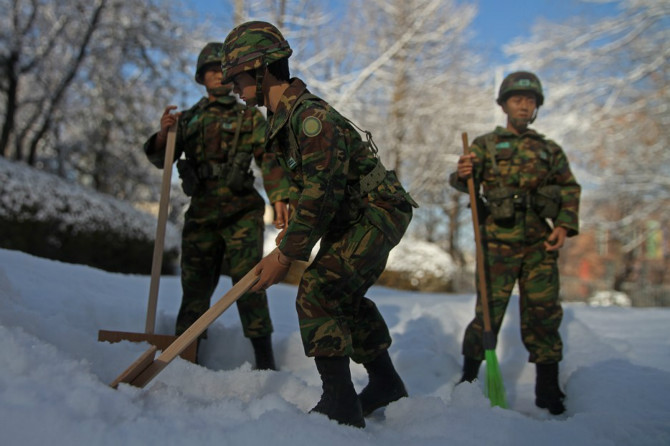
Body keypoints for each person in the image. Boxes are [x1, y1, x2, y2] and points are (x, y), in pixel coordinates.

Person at [220, 21, 418, 428]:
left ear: (262, 68)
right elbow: (315, 184)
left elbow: (323, 193)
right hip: (357, 213)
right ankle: (385, 383)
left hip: (377, 210)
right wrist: (292, 214)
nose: (234, 86)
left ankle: (340, 403)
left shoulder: (310, 117)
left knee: (318, 288)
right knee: (341, 294)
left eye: (238, 75)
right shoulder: (285, 118)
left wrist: (288, 253)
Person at [143, 42, 289, 370]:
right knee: (194, 286)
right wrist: (164, 137)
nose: (219, 78)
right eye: (211, 72)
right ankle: (184, 360)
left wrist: (279, 195)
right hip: (202, 215)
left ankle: (266, 362)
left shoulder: (250, 118)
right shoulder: (189, 120)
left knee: (250, 284)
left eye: (224, 72)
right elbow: (160, 159)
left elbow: (269, 156)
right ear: (201, 77)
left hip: (241, 214)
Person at [449, 71, 581, 415]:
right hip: (496, 242)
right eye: (517, 99)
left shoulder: (549, 150)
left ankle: (548, 390)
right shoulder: (484, 145)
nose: (524, 105)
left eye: (530, 100)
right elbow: (466, 183)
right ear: (504, 104)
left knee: (544, 313)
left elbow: (569, 188)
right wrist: (462, 174)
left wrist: (564, 225)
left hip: (540, 244)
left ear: (537, 107)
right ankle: (469, 381)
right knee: (487, 313)